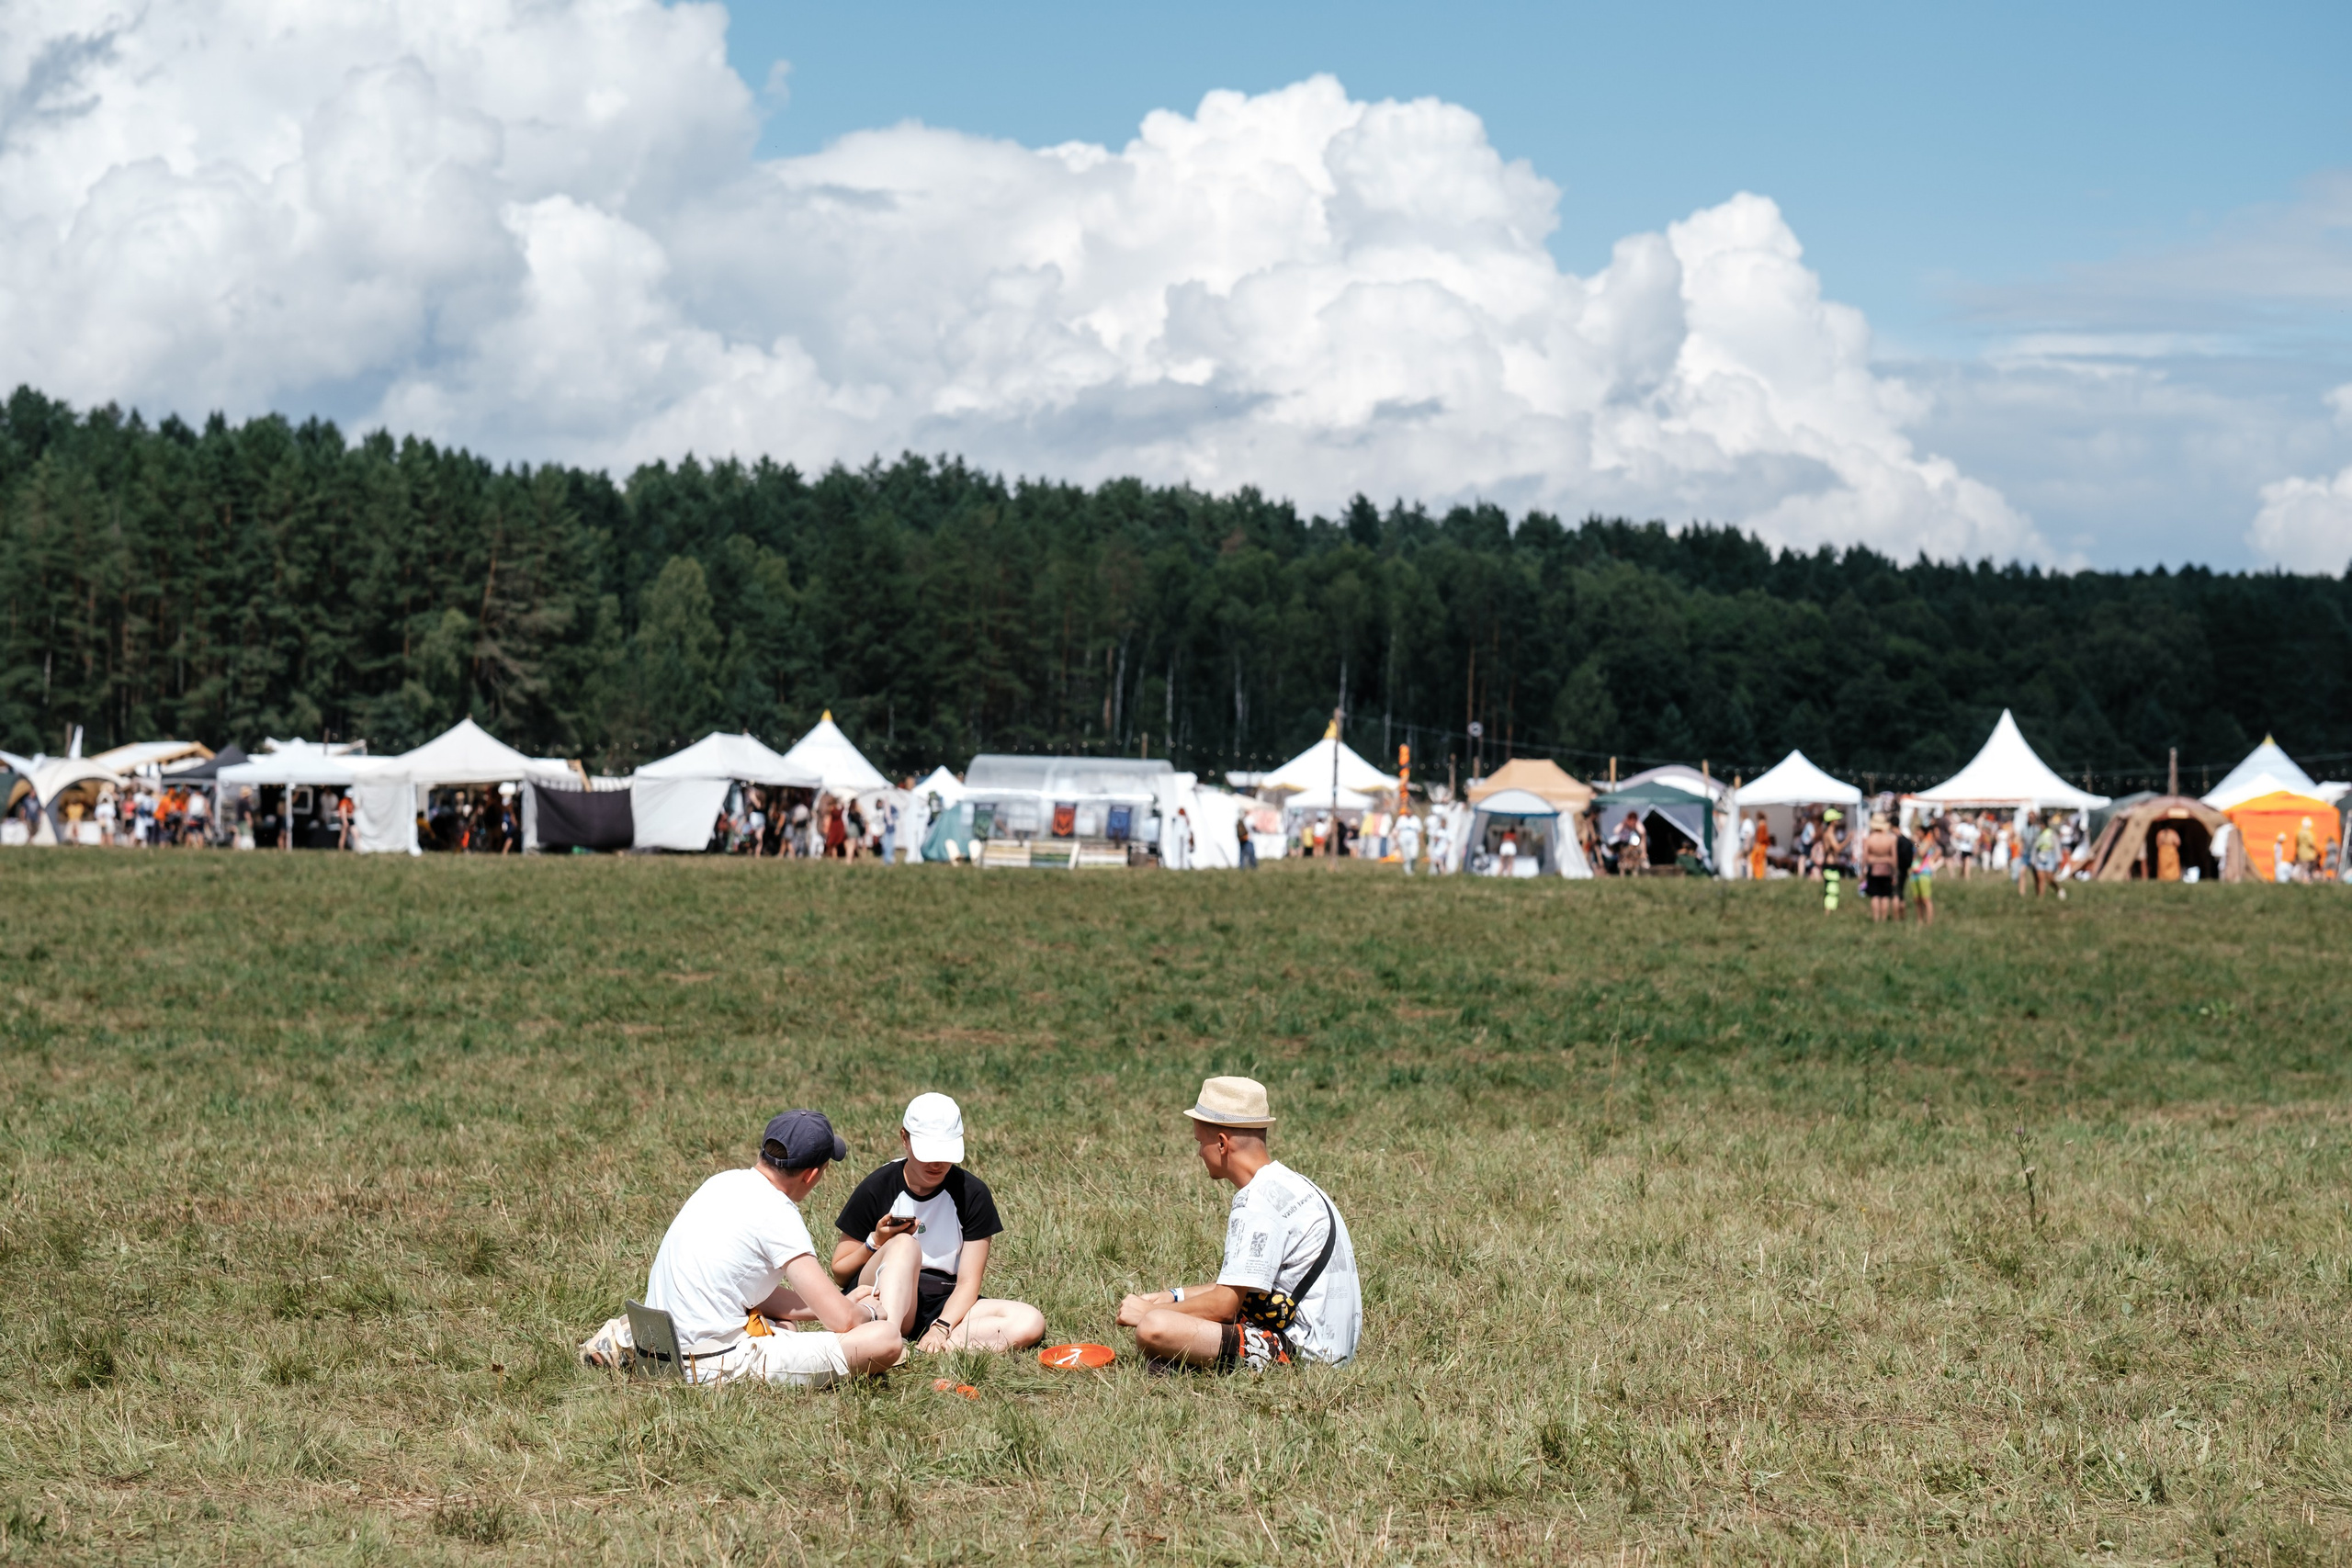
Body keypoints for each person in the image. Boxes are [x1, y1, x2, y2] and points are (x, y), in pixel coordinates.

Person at [581, 1110, 912, 1385]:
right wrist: (867, 1312)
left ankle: (630, 1336)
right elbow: (842, 1322)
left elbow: (749, 1290)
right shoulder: (779, 1213)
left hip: (662, 1342)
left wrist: (840, 1303)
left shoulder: (721, 1182)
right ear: (811, 1176)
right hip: (707, 1363)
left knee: (784, 1325)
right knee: (885, 1340)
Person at [1116, 1077, 1361, 1372]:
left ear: (1222, 1143)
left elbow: (1224, 1306)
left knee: (1154, 1328)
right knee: (1164, 1323)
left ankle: (1194, 1364)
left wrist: (1151, 1310)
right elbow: (1242, 1288)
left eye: (1200, 1142)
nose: (1198, 1153)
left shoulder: (1256, 1203)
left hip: (1306, 1355)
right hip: (1329, 1346)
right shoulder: (1291, 1185)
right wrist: (1174, 1296)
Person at [831, 1093, 1046, 1354]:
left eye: (945, 1152)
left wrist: (941, 1327)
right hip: (883, 1292)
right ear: (904, 1139)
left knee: (1029, 1321)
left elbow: (968, 1282)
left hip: (945, 1302)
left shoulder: (972, 1193)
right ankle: (888, 1339)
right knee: (905, 1245)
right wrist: (876, 1241)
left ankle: (932, 1345)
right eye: (928, 1152)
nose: (936, 1163)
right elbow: (840, 1272)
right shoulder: (879, 1186)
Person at [1860, 813, 1899, 922]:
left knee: (1875, 895)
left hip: (1874, 869)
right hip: (1886, 868)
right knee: (1885, 895)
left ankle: (1876, 919)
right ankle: (1884, 918)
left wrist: (1862, 873)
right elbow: (1894, 857)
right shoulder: (1890, 839)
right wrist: (1894, 872)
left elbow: (1864, 857)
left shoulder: (1869, 839)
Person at [1818, 808, 1847, 912]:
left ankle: (1830, 911)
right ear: (1832, 820)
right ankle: (1828, 911)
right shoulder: (1829, 834)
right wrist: (1848, 839)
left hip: (1830, 864)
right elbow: (1837, 848)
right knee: (1831, 889)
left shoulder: (1828, 833)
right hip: (1830, 864)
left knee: (1832, 888)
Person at [1395, 808, 1419, 874]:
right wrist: (1396, 841)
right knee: (1406, 856)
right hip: (1403, 840)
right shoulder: (1401, 819)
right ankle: (1407, 870)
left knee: (1413, 855)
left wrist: (1421, 841)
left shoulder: (1416, 819)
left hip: (1413, 840)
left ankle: (1412, 867)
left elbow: (1419, 831)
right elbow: (1397, 830)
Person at [1747, 813, 1771, 882]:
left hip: (1760, 846)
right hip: (1761, 846)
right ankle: (1760, 875)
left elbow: (1761, 838)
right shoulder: (1763, 824)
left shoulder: (1762, 825)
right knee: (1762, 861)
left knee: (1757, 860)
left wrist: (1758, 844)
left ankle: (1759, 876)